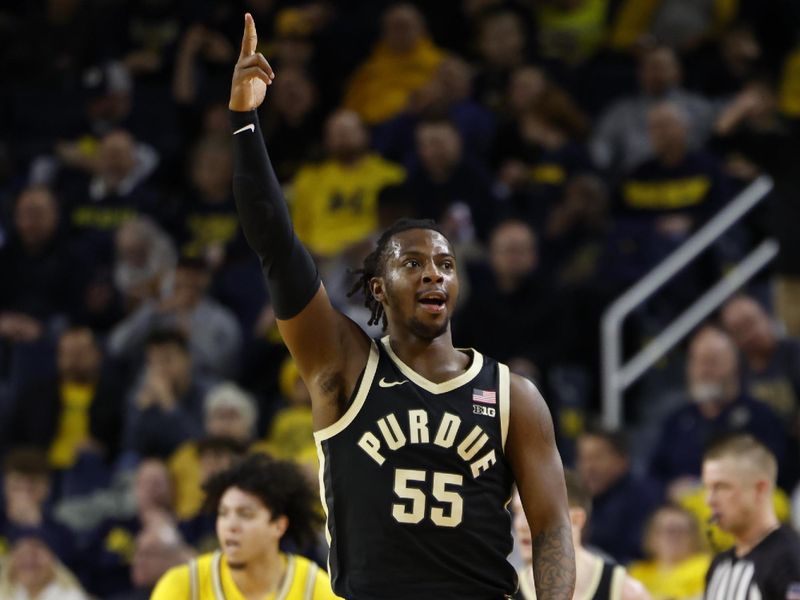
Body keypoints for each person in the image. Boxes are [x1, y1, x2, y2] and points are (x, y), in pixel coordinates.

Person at [228, 13, 574, 599]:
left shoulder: (512, 395)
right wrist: (244, 121)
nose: (434, 273)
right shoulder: (345, 368)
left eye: (444, 263)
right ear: (379, 287)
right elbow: (276, 246)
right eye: (413, 263)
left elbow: (551, 528)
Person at [151, 453, 337, 599]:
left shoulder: (314, 589)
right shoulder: (183, 586)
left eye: (245, 515)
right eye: (223, 513)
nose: (230, 526)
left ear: (279, 526)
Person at [512, 470, 650, 600]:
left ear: (576, 520)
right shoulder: (507, 593)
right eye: (517, 512)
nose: (521, 525)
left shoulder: (624, 591)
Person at [702, 434, 800, 599]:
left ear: (760, 489)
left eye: (722, 487)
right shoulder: (719, 564)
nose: (709, 500)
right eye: (708, 487)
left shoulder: (790, 559)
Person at [576, 427, 663, 563]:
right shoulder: (575, 497)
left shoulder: (645, 498)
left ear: (622, 460)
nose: (589, 467)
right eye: (583, 459)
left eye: (597, 458)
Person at [627, 505, 711, 600]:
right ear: (652, 536)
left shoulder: (706, 567)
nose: (674, 537)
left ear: (694, 537)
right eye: (668, 530)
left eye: (681, 531)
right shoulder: (638, 572)